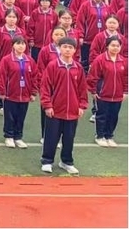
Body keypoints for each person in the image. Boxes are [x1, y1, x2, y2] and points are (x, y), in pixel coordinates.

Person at [39, 37, 88, 175]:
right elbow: (45, 87)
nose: (67, 49)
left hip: (72, 111)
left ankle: (66, 162)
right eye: (65, 47)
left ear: (75, 50)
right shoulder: (53, 66)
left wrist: (82, 105)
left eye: (70, 47)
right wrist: (47, 105)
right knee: (51, 137)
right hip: (55, 110)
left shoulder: (78, 68)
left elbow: (82, 89)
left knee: (69, 138)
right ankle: (47, 161)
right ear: (59, 48)